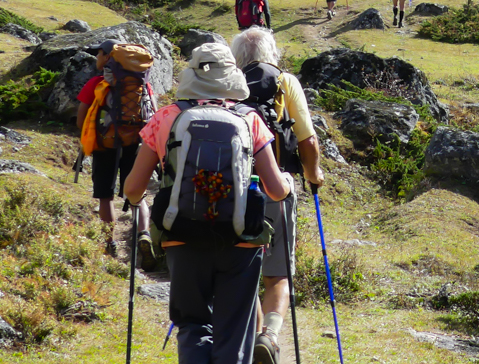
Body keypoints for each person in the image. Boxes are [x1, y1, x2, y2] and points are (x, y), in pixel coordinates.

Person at [125, 42, 292, 364]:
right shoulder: (250, 119)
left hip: (182, 236)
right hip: (240, 241)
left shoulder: (166, 118)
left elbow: (133, 190)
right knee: (234, 331)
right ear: (232, 77)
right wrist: (288, 183)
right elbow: (275, 191)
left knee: (192, 323)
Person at [230, 27, 325, 364]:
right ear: (272, 53)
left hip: (231, 189)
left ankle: (252, 338)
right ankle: (269, 335)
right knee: (277, 273)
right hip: (275, 185)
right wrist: (314, 175)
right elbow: (307, 141)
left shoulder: (226, 82)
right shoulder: (285, 82)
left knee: (244, 269)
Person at [75, 39, 152, 262]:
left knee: (105, 196)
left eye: (99, 53)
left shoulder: (97, 84)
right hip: (136, 143)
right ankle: (144, 235)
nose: (96, 57)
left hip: (105, 144)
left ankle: (110, 243)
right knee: (138, 195)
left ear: (109, 57)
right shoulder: (142, 85)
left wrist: (92, 136)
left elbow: (82, 119)